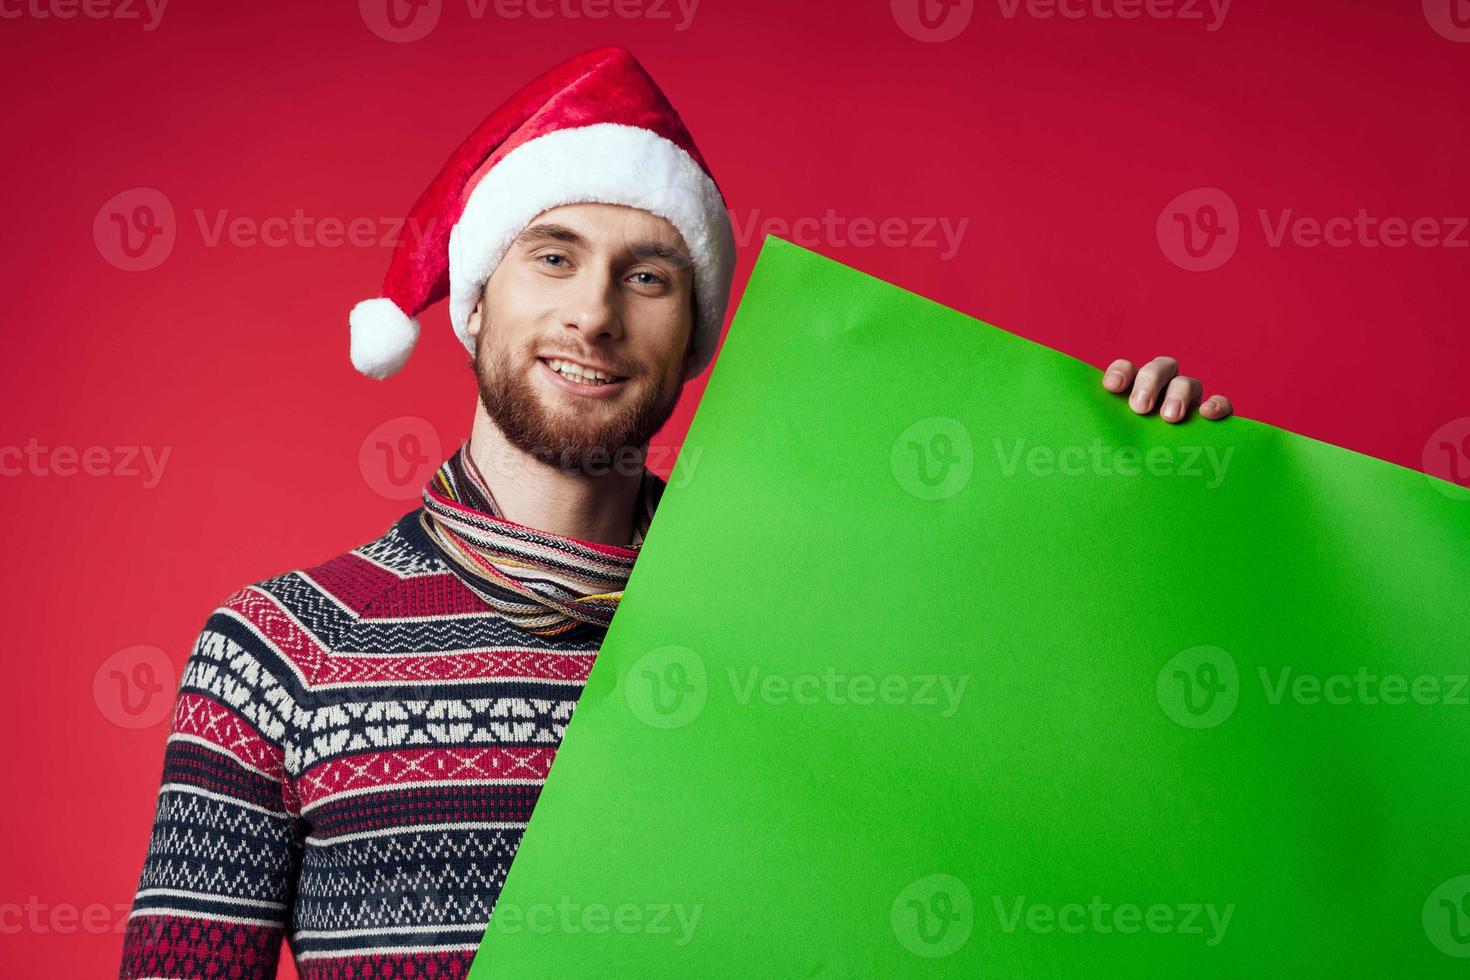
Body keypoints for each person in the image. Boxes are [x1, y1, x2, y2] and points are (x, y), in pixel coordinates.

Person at [118, 45, 1232, 980]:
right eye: (553, 258)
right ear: (476, 300)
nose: (594, 314)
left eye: (648, 276)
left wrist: (1135, 496)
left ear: (691, 333)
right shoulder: (280, 646)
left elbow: (1062, 805)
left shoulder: (800, 633)